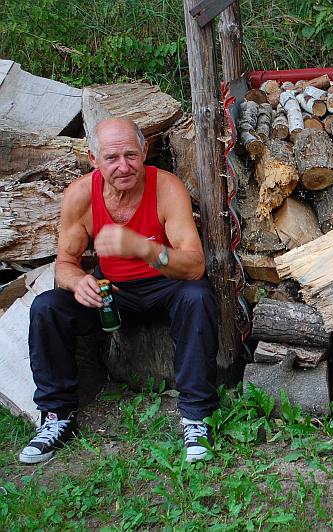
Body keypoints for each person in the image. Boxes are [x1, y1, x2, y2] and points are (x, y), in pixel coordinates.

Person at [19, 118, 220, 464]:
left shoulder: (165, 188)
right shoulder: (81, 195)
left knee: (198, 297)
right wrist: (77, 282)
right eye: (112, 158)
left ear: (144, 152)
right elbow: (64, 263)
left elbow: (194, 265)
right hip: (112, 292)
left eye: (131, 155)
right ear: (93, 159)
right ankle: (57, 416)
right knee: (47, 307)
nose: (123, 166)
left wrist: (143, 248)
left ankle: (196, 415)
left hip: (165, 286)